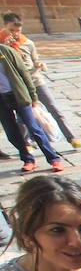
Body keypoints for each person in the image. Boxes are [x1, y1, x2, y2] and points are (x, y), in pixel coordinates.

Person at [2, 12, 81, 148]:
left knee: (53, 108)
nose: (15, 33)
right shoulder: (2, 45)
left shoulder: (27, 43)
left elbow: (35, 60)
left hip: (35, 80)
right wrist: (6, 47)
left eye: (18, 31)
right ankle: (26, 143)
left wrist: (39, 64)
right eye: (11, 30)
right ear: (4, 26)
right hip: (18, 85)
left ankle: (71, 137)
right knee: (22, 116)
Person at [0, 38, 62, 173]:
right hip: (1, 100)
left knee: (33, 128)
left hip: (17, 94)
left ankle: (53, 158)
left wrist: (33, 96)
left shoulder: (6, 51)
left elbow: (24, 73)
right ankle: (28, 159)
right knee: (11, 133)